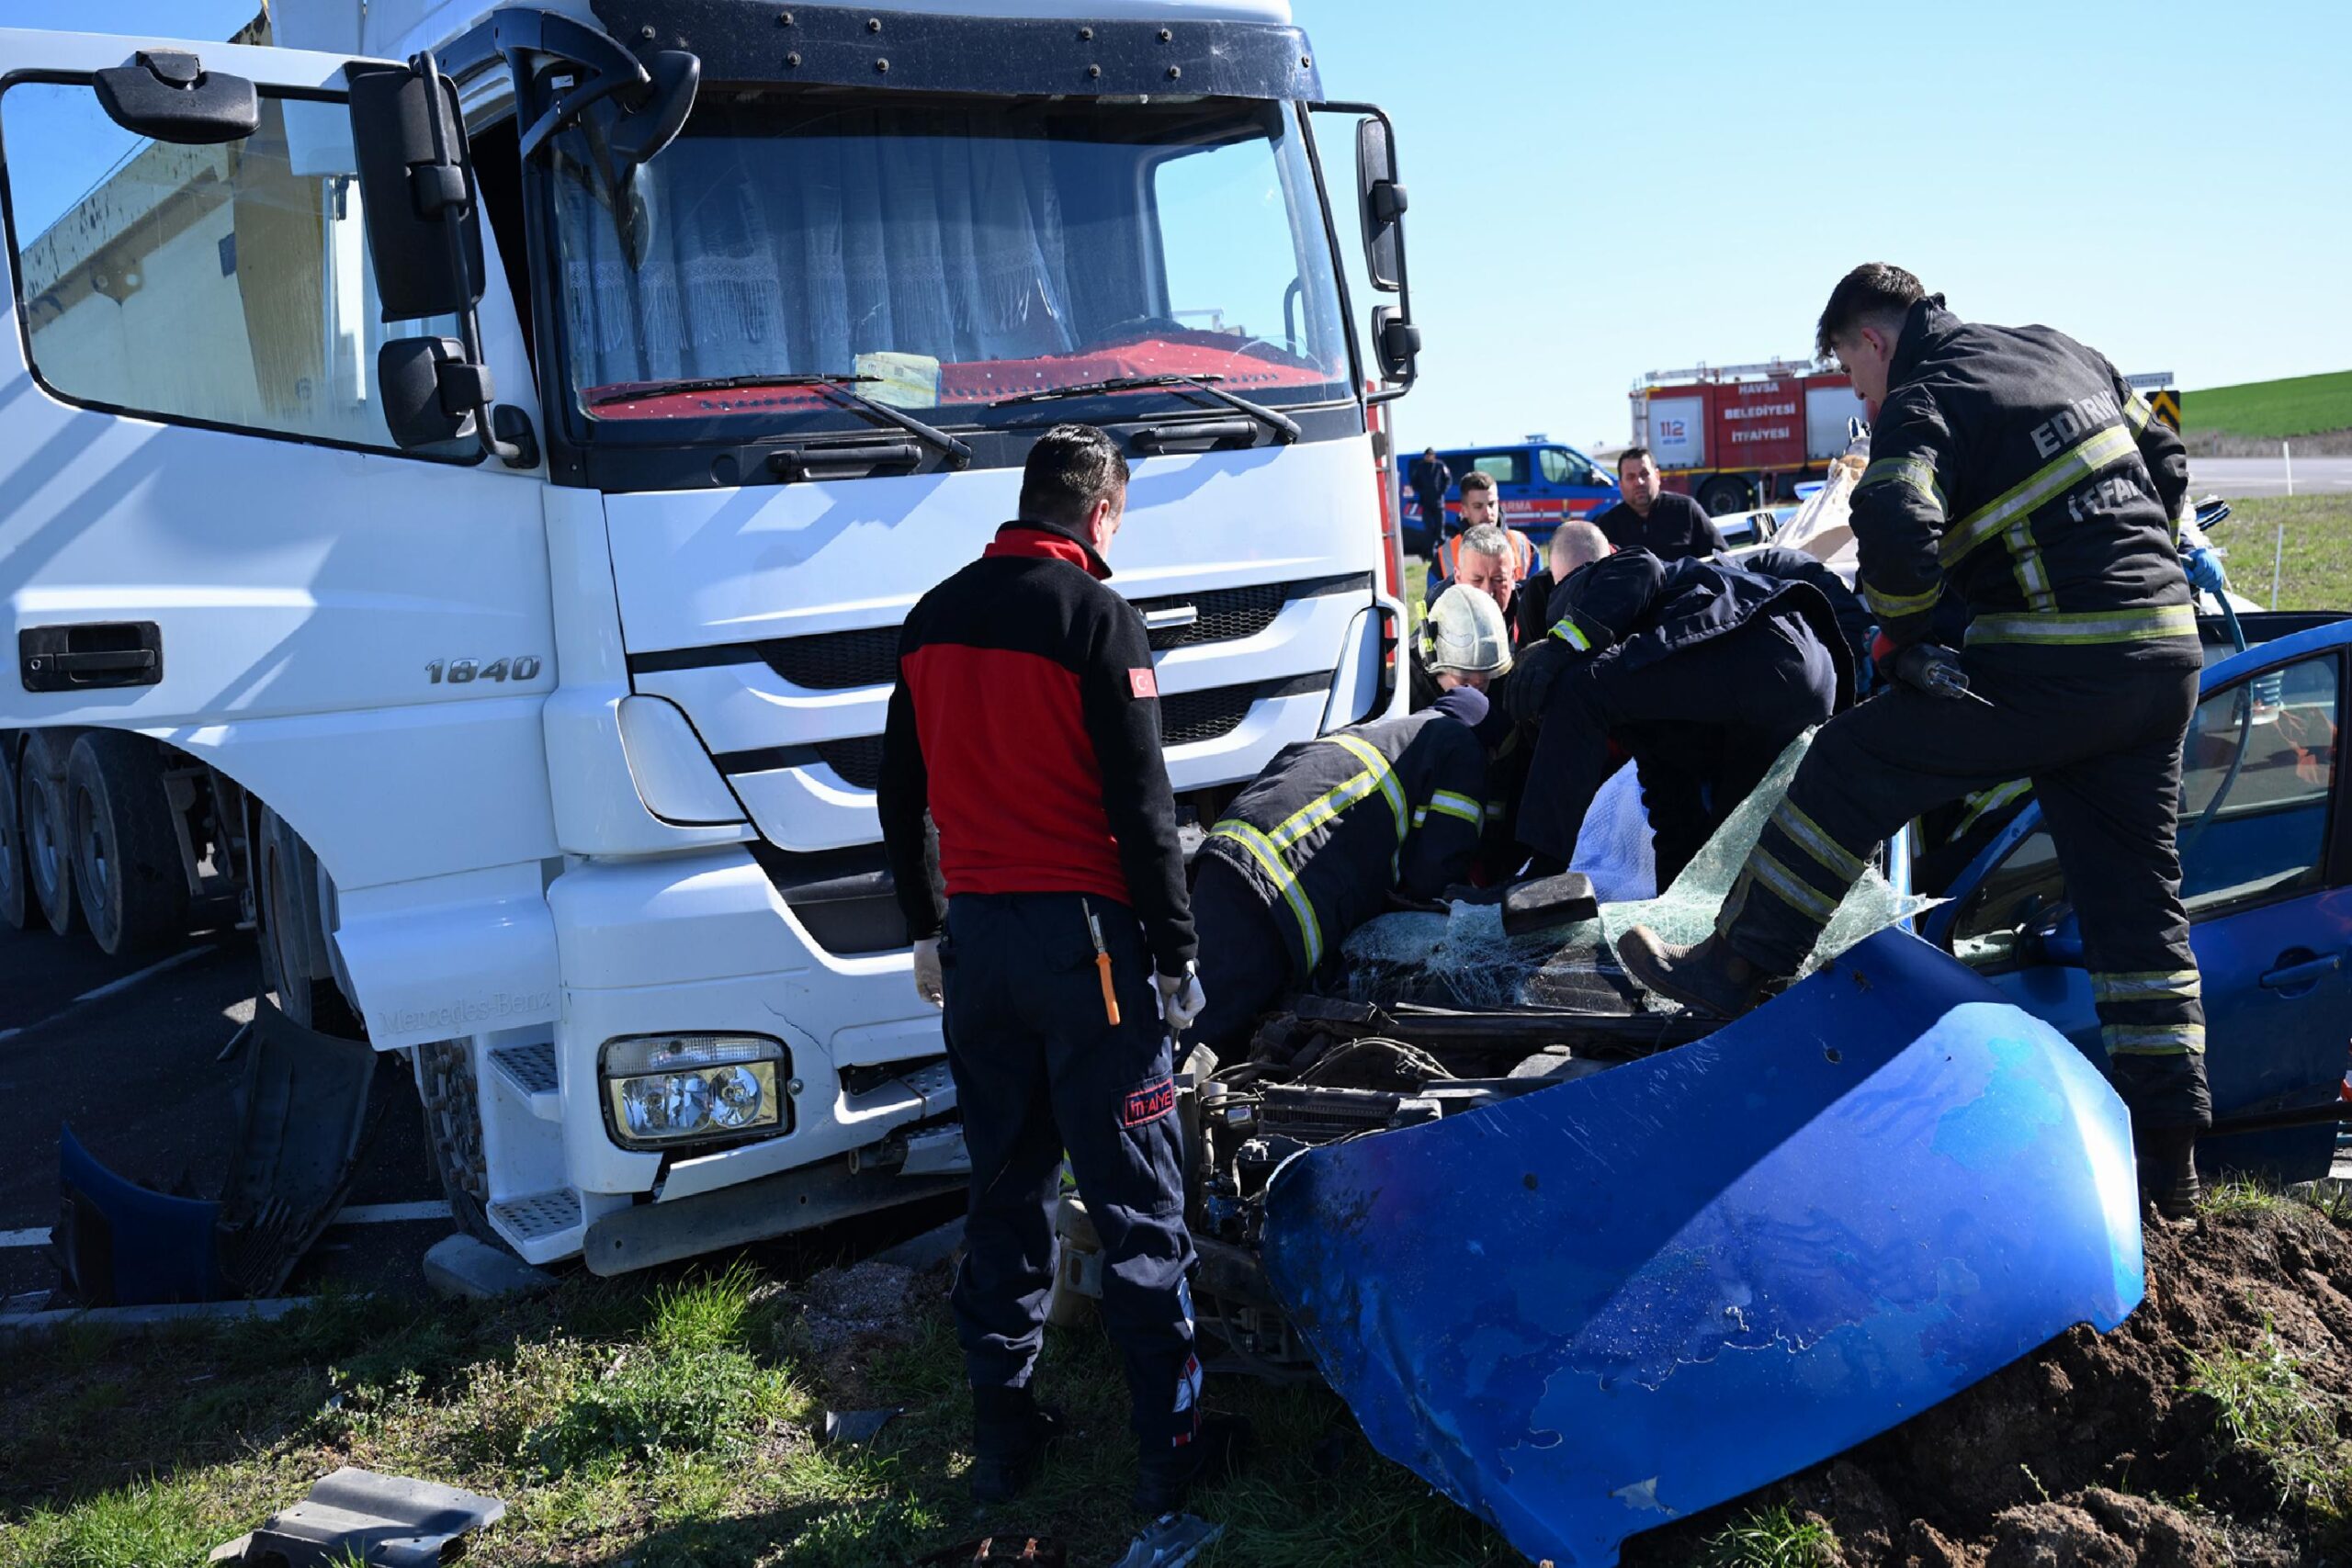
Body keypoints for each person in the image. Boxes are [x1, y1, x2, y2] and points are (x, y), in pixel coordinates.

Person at [1615, 265, 2212, 1216]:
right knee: (2139, 918)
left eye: (1854, 379)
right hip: (2162, 662)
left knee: (1850, 764)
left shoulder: (1924, 393)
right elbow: (2167, 450)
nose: (1862, 396)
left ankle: (1733, 968)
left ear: (1871, 342)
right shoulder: (2065, 349)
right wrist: (2166, 555)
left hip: (2054, 664)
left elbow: (1891, 513)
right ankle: (2172, 1169)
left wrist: (1912, 635)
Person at [876, 423, 1238, 1515]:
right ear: (1101, 510)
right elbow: (1145, 807)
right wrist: (1177, 955)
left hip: (978, 943)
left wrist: (923, 926)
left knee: (1004, 1189)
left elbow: (897, 792)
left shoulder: (931, 616)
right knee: (1135, 1201)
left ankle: (1003, 1441)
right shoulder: (1097, 617)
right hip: (1089, 950)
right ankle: (1168, 1459)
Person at [1190, 587, 1499, 1052]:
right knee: (1199, 1041)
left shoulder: (1381, 733)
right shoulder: (1458, 744)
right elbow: (1435, 876)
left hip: (1231, 853)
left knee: (1191, 1015)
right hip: (1276, 887)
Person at [1506, 522, 1852, 886]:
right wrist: (1667, 912)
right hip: (1805, 678)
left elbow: (1642, 565)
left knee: (1579, 686)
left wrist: (1558, 649)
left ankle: (1541, 877)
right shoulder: (1651, 693)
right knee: (1723, 852)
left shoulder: (1584, 587)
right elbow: (1671, 813)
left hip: (1759, 652)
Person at [1595, 446, 1727, 561]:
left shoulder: (1686, 510)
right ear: (1621, 485)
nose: (1639, 482)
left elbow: (1723, 558)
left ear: (1657, 476)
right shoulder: (1607, 526)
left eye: (1644, 474)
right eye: (1630, 477)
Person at [1430, 473, 1539, 591]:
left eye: (1492, 504)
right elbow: (1433, 606)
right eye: (1478, 506)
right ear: (1464, 510)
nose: (1488, 513)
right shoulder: (1444, 556)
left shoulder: (1524, 546)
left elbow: (1539, 600)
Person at [1408, 446, 1453, 544]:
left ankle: (1442, 549)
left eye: (1431, 455)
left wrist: (1442, 491)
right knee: (1429, 528)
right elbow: (1414, 481)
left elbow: (1448, 479)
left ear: (1434, 456)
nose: (1429, 457)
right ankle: (1431, 552)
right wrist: (1420, 491)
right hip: (1426, 502)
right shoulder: (1420, 467)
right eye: (1427, 455)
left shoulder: (1440, 466)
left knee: (1440, 528)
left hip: (1438, 502)